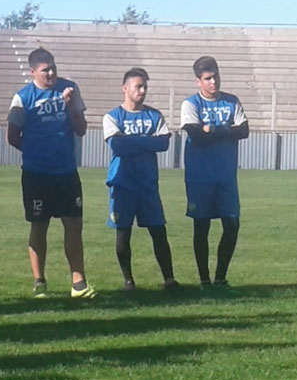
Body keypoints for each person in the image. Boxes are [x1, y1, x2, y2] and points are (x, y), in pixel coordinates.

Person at [6, 48, 96, 299]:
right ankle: (39, 281)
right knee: (39, 225)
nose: (51, 72)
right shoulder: (23, 97)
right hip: (37, 174)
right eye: (45, 69)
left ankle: (78, 282)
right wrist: (36, 151)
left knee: (74, 224)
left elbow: (81, 129)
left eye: (53, 67)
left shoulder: (70, 89)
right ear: (33, 71)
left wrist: (71, 107)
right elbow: (12, 136)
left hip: (66, 171)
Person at [103, 67, 178, 291]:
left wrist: (132, 141)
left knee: (158, 232)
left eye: (145, 86)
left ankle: (169, 279)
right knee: (123, 233)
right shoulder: (112, 116)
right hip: (122, 183)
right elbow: (117, 145)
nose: (143, 90)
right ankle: (128, 280)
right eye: (139, 86)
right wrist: (147, 141)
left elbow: (164, 143)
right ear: (125, 88)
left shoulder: (154, 115)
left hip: (147, 184)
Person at [180, 56, 249, 290]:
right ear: (198, 81)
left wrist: (213, 129)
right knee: (201, 227)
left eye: (216, 76)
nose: (213, 82)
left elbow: (244, 131)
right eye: (208, 78)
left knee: (232, 224)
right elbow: (196, 136)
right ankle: (204, 280)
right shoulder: (190, 104)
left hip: (226, 176)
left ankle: (220, 277)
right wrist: (226, 130)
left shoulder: (231, 101)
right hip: (200, 178)